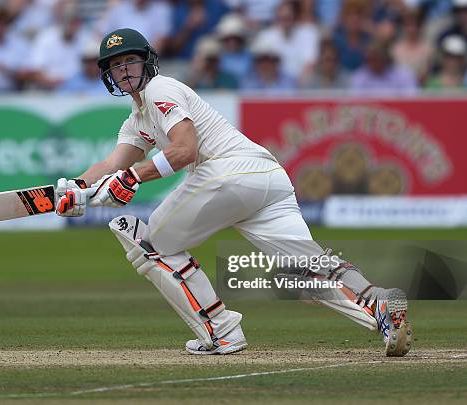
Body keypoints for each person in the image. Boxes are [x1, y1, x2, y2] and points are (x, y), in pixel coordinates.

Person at [53, 28, 413, 357]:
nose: (125, 70)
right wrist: (75, 189)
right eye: (116, 66)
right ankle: (378, 304)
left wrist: (132, 177)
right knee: (306, 271)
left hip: (229, 172)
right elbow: (112, 164)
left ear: (147, 62)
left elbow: (185, 150)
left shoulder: (161, 89)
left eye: (130, 60)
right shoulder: (137, 120)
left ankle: (221, 330)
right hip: (268, 177)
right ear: (108, 75)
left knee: (150, 245)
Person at [350, 41, 418, 93]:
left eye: (375, 59)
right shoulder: (360, 76)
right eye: (368, 59)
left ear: (385, 58)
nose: (372, 63)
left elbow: (412, 99)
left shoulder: (403, 75)